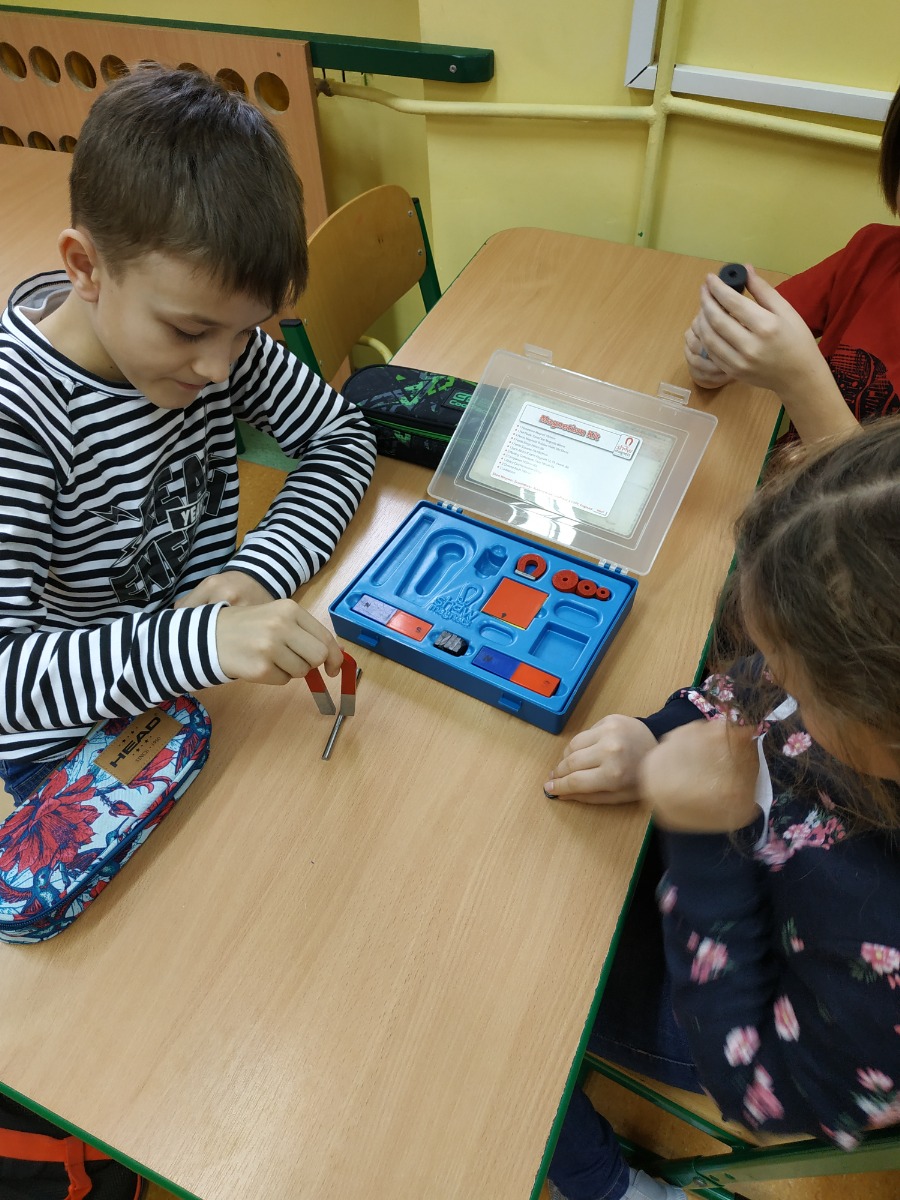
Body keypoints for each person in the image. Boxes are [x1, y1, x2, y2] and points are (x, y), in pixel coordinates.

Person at [543, 418, 900, 1200]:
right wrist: (659, 732)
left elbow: (760, 1090)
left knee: (510, 982)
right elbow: (749, 690)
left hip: (746, 1020)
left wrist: (705, 841)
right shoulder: (857, 665)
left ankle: (609, 1188)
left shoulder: (884, 941)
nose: (770, 674)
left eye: (795, 672)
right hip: (744, 890)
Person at [0, 65, 377, 805]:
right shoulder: (20, 417)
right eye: (189, 331)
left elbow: (341, 437)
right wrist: (198, 643)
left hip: (209, 681)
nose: (219, 369)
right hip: (75, 734)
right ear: (85, 267)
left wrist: (257, 572)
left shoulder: (219, 336)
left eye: (246, 332)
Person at [683, 82, 900, 444]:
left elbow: (869, 483)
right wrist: (720, 354)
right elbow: (758, 329)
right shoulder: (872, 252)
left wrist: (800, 382)